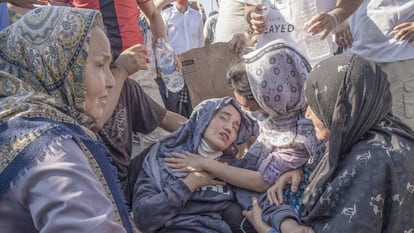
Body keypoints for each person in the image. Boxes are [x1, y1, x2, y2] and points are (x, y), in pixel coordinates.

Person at [0, 6, 137, 232]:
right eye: (99, 65)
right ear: (55, 64)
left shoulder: (13, 121)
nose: (111, 81)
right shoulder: (52, 148)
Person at [165, 40, 325, 230]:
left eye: (254, 108)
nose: (250, 115)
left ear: (272, 98)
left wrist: (205, 163)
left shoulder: (303, 135)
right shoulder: (277, 115)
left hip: (284, 198)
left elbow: (260, 183)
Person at [245, 54, 414, 233]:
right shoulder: (384, 135)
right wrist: (302, 172)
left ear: (339, 108)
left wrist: (264, 229)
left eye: (315, 105)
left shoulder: (370, 165)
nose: (307, 115)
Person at [131, 97, 253, 233]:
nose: (229, 128)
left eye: (235, 126)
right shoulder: (165, 156)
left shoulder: (232, 168)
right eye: (223, 118)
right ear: (203, 117)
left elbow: (258, 193)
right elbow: (143, 217)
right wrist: (190, 183)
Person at [245, 0, 364, 66]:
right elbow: (250, 6)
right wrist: (252, 17)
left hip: (314, 61)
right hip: (268, 62)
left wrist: (336, 16)